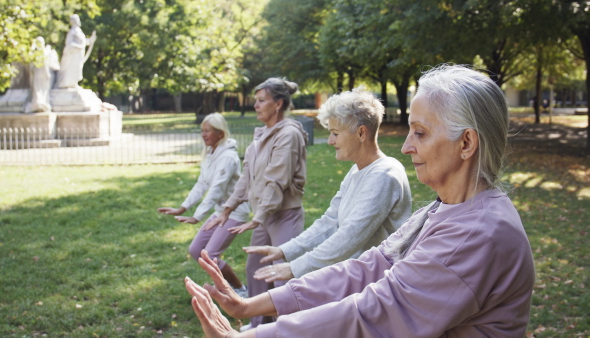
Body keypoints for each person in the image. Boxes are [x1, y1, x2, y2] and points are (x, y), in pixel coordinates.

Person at [183, 64, 535, 337]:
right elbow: (369, 265)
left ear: (466, 144)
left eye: (421, 133)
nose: (408, 145)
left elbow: (376, 310)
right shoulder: (445, 208)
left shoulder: (476, 233)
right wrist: (253, 305)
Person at [243, 87, 412, 283]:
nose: (330, 141)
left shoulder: (384, 174)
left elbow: (350, 236)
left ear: (361, 133)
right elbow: (330, 221)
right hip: (356, 277)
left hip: (379, 284)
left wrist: (295, 267)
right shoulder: (358, 170)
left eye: (335, 133)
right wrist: (284, 250)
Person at [204, 78, 308, 330]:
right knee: (255, 269)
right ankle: (260, 323)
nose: (255, 105)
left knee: (281, 275)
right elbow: (245, 180)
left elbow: (277, 181)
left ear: (278, 104)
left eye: (261, 100)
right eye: (256, 100)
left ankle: (290, 327)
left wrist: (257, 218)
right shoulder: (260, 135)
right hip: (264, 217)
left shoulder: (289, 134)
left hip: (284, 215)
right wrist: (227, 210)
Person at [157, 113, 250, 295]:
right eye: (202, 130)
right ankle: (231, 288)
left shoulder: (228, 157)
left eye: (207, 131)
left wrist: (197, 216)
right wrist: (182, 208)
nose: (203, 134)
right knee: (196, 250)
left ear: (220, 134)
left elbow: (216, 189)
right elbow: (202, 184)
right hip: (220, 211)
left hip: (235, 212)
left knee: (210, 255)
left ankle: (240, 289)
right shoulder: (211, 153)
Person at [56, 14, 96, 89]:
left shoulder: (79, 31)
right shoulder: (72, 32)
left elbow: (83, 42)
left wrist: (90, 40)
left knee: (77, 69)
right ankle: (68, 84)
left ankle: (74, 84)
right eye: (77, 19)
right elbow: (69, 44)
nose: (78, 21)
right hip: (73, 55)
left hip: (78, 55)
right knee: (72, 69)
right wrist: (79, 47)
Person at [26, 37, 60, 113]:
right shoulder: (41, 53)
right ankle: (38, 103)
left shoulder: (44, 52)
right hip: (39, 74)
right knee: (38, 89)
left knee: (42, 90)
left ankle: (40, 103)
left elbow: (47, 65)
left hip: (42, 74)